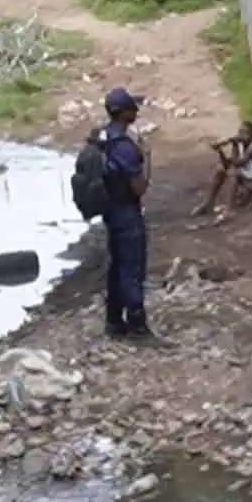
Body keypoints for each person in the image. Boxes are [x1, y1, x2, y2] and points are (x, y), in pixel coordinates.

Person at [96, 87, 155, 342]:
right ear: (123, 113)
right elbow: (139, 187)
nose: (137, 111)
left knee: (117, 266)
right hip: (127, 212)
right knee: (132, 266)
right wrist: (148, 160)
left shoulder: (104, 137)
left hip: (111, 211)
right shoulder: (124, 146)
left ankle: (113, 321)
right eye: (133, 107)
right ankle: (137, 326)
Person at [196, 121, 252, 216]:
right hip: (250, 177)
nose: (241, 135)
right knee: (220, 169)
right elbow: (227, 164)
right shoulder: (241, 147)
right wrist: (219, 150)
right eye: (240, 132)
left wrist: (233, 143)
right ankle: (208, 203)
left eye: (245, 133)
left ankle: (229, 209)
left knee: (234, 173)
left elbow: (238, 163)